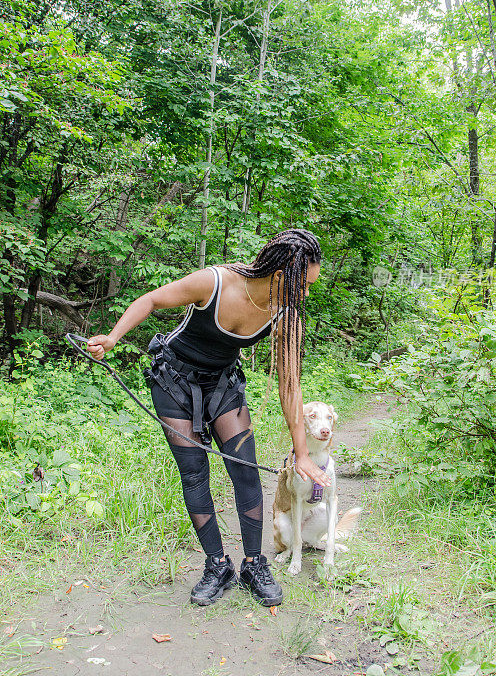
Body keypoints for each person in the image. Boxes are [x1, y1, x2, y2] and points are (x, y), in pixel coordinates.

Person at [87, 228, 329, 607]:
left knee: (245, 471)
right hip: (174, 383)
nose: (306, 294)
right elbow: (151, 300)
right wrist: (113, 338)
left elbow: (291, 388)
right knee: (194, 473)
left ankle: (253, 564)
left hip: (222, 386)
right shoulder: (215, 283)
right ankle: (217, 565)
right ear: (282, 275)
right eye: (304, 284)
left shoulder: (285, 316)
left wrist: (301, 454)